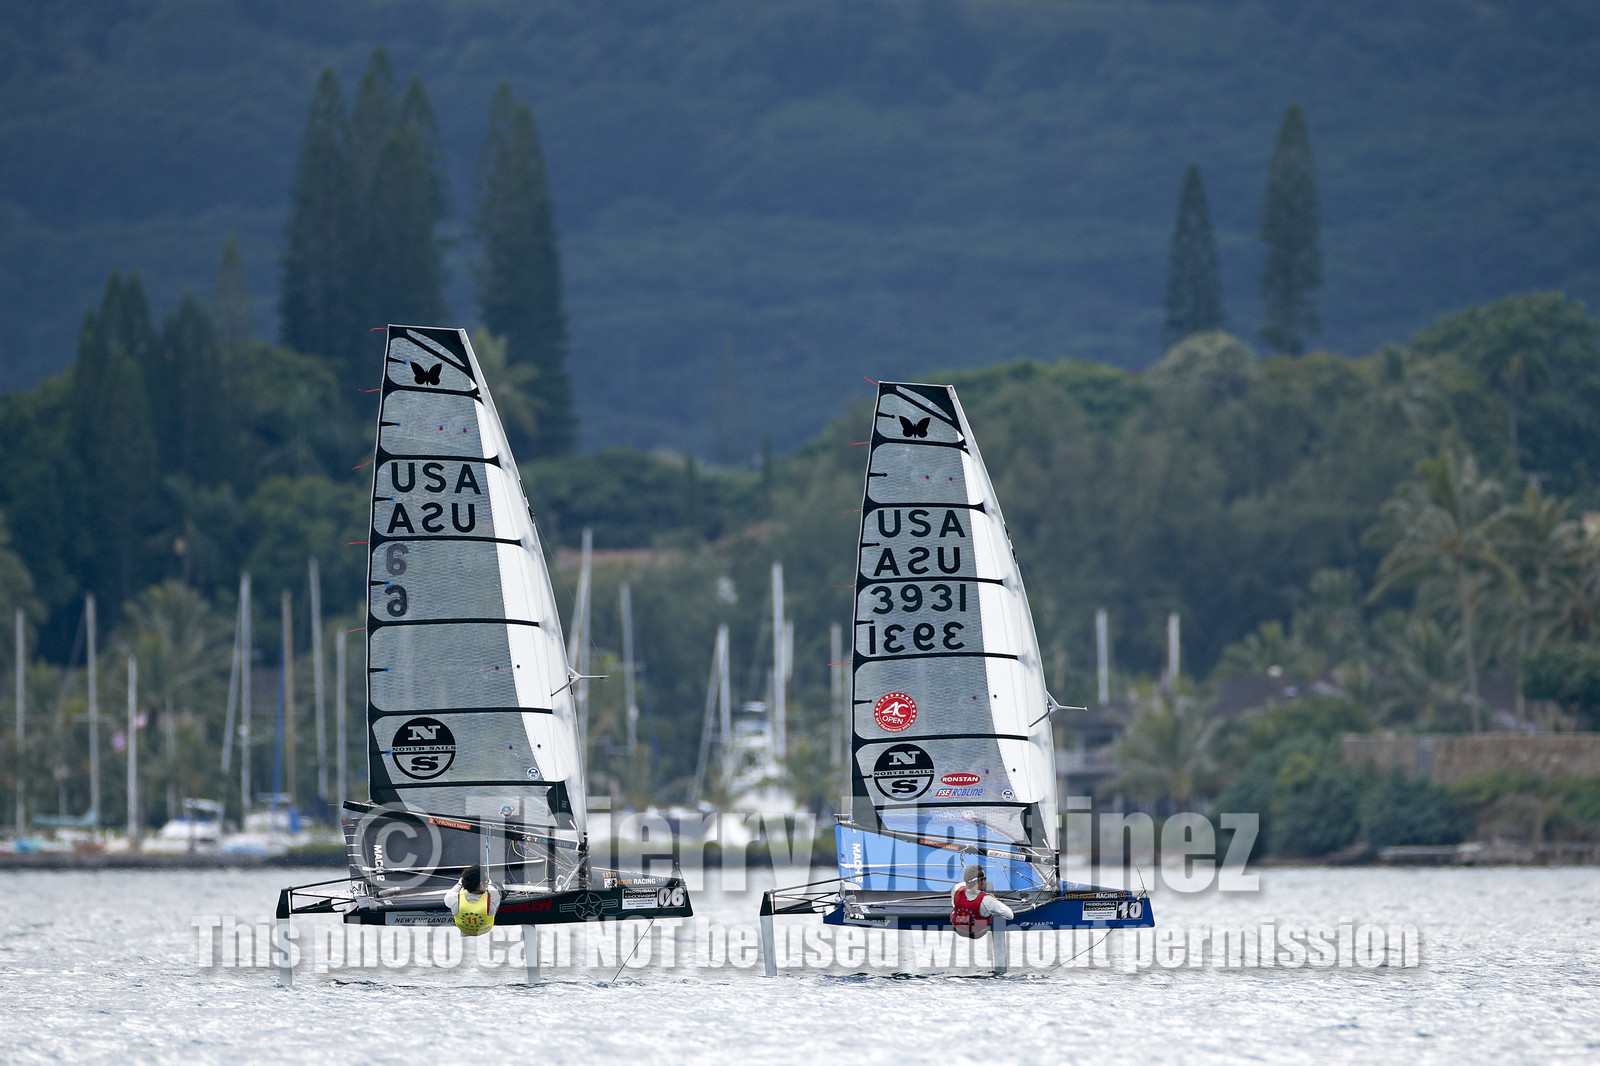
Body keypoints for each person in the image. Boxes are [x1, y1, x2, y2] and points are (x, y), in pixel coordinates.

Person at [950, 864, 1014, 939]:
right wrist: (995, 902)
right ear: (980, 880)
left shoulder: (956, 888)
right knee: (991, 910)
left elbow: (954, 904)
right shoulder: (987, 900)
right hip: (978, 933)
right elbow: (1010, 916)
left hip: (958, 929)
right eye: (984, 879)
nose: (985, 881)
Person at [446, 863, 502, 936]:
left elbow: (450, 893)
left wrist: (460, 884)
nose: (488, 882)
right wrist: (489, 883)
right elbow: (491, 888)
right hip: (485, 929)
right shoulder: (494, 897)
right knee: (497, 887)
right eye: (487, 881)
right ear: (481, 884)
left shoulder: (454, 899)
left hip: (464, 929)